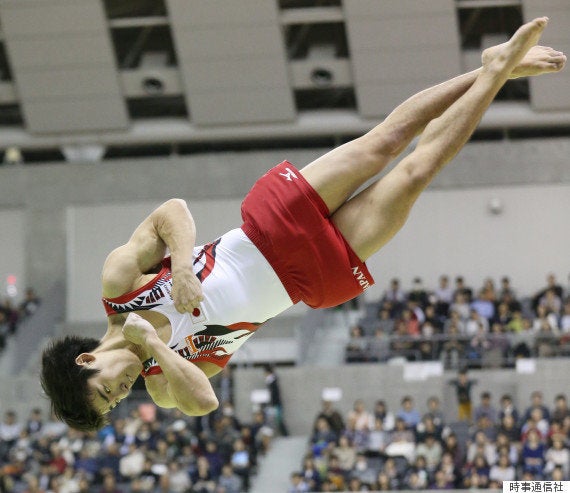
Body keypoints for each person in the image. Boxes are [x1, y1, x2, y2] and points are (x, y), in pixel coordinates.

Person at [40, 19, 566, 431]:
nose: (122, 392)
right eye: (115, 403)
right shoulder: (162, 382)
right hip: (306, 280)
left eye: (107, 390)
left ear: (88, 359)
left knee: (386, 141)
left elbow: (171, 210)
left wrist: (180, 269)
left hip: (272, 226)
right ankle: (496, 73)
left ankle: (490, 67)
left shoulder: (119, 286)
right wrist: (153, 346)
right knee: (417, 170)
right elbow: (204, 402)